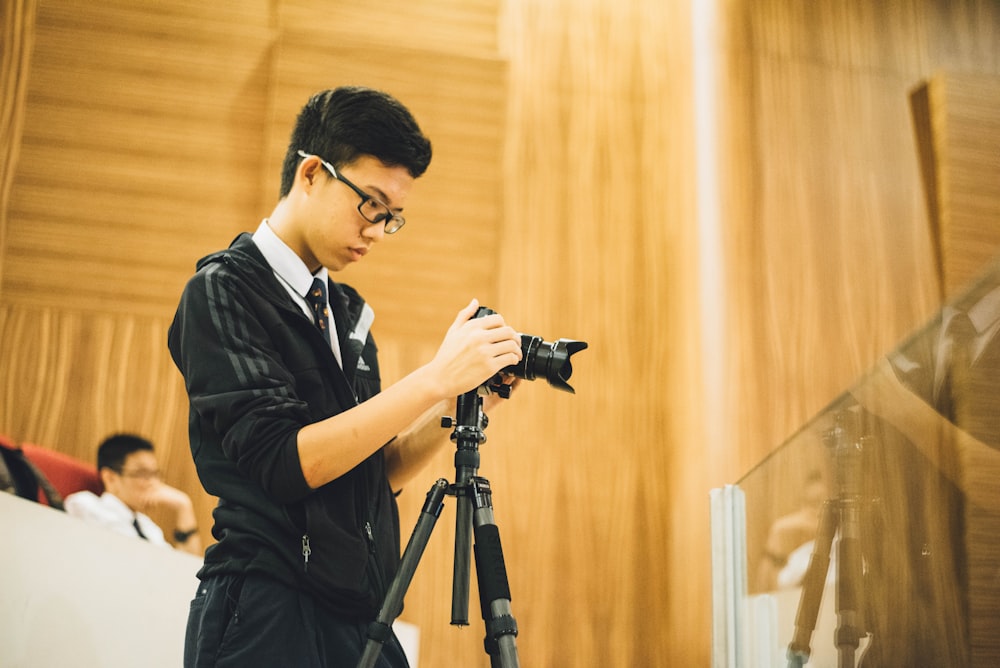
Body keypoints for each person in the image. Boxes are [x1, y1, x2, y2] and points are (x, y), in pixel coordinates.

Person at [167, 86, 522, 668]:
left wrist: (454, 403)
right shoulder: (222, 290)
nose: (379, 231)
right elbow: (288, 462)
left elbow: (373, 473)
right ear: (312, 173)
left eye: (393, 218)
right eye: (371, 205)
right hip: (265, 610)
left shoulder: (348, 312)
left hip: (362, 613)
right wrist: (434, 377)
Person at [64, 433, 203, 555]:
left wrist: (184, 506)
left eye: (155, 474)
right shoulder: (85, 505)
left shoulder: (149, 527)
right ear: (110, 477)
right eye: (143, 473)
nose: (154, 483)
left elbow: (184, 567)